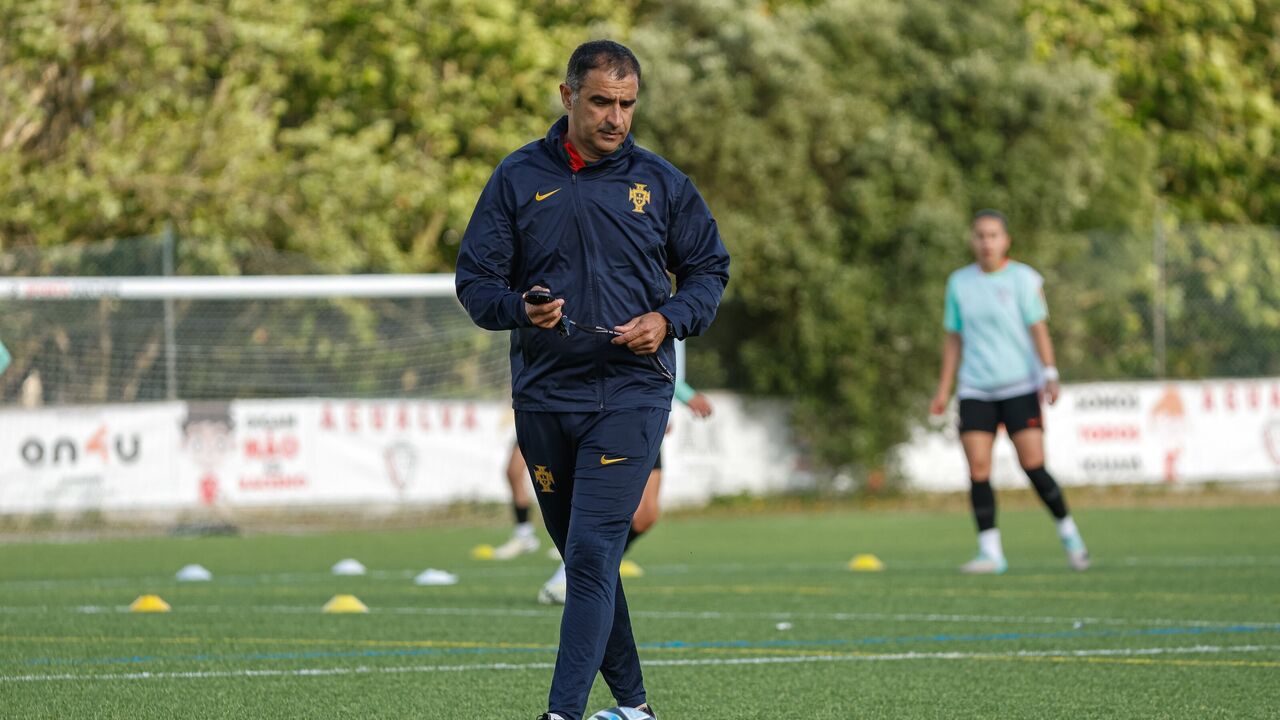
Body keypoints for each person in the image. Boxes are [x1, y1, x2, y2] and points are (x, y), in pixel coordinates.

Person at [455, 40, 730, 720]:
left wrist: (668, 320)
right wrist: (521, 309)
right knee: (590, 563)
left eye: (628, 104)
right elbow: (474, 282)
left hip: (631, 393)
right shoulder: (518, 177)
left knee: (590, 551)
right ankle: (634, 710)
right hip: (545, 396)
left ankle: (562, 714)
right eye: (602, 102)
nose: (616, 118)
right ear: (568, 95)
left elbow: (709, 272)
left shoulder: (662, 183)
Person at [929, 210, 1088, 575]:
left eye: (993, 235)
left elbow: (1038, 329)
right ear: (972, 240)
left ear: (1006, 240)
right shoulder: (959, 283)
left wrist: (1050, 373)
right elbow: (953, 339)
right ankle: (990, 552)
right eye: (980, 236)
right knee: (979, 468)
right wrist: (943, 389)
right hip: (975, 388)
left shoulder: (1023, 279)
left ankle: (1070, 535)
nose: (987, 242)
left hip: (1019, 385)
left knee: (1033, 465)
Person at [538, 358, 714, 604]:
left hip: (650, 414)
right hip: (621, 412)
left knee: (647, 515)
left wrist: (667, 402)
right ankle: (568, 578)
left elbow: (667, 364)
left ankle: (596, 569)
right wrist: (681, 397)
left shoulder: (684, 319)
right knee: (600, 510)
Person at [490, 439, 541, 559]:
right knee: (513, 472)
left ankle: (572, 537)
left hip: (558, 422)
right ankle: (524, 535)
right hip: (532, 422)